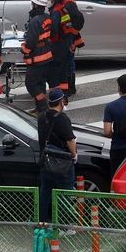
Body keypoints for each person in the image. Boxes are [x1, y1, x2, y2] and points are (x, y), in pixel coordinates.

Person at [38, 88, 76, 222]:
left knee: (45, 192)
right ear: (60, 102)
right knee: (65, 193)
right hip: (62, 162)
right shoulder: (62, 118)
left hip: (46, 160)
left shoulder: (42, 116)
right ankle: (63, 224)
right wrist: (74, 155)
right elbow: (70, 140)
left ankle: (43, 220)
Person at [48, 0, 84, 97]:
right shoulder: (63, 4)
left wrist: (71, 36)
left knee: (67, 66)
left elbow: (78, 20)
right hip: (66, 39)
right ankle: (68, 90)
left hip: (67, 40)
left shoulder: (68, 4)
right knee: (66, 66)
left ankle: (70, 89)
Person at [22, 0, 55, 113]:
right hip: (46, 54)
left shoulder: (35, 21)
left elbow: (31, 41)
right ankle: (40, 107)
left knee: (31, 84)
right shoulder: (47, 17)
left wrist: (24, 49)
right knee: (40, 82)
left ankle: (43, 106)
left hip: (37, 57)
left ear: (35, 5)